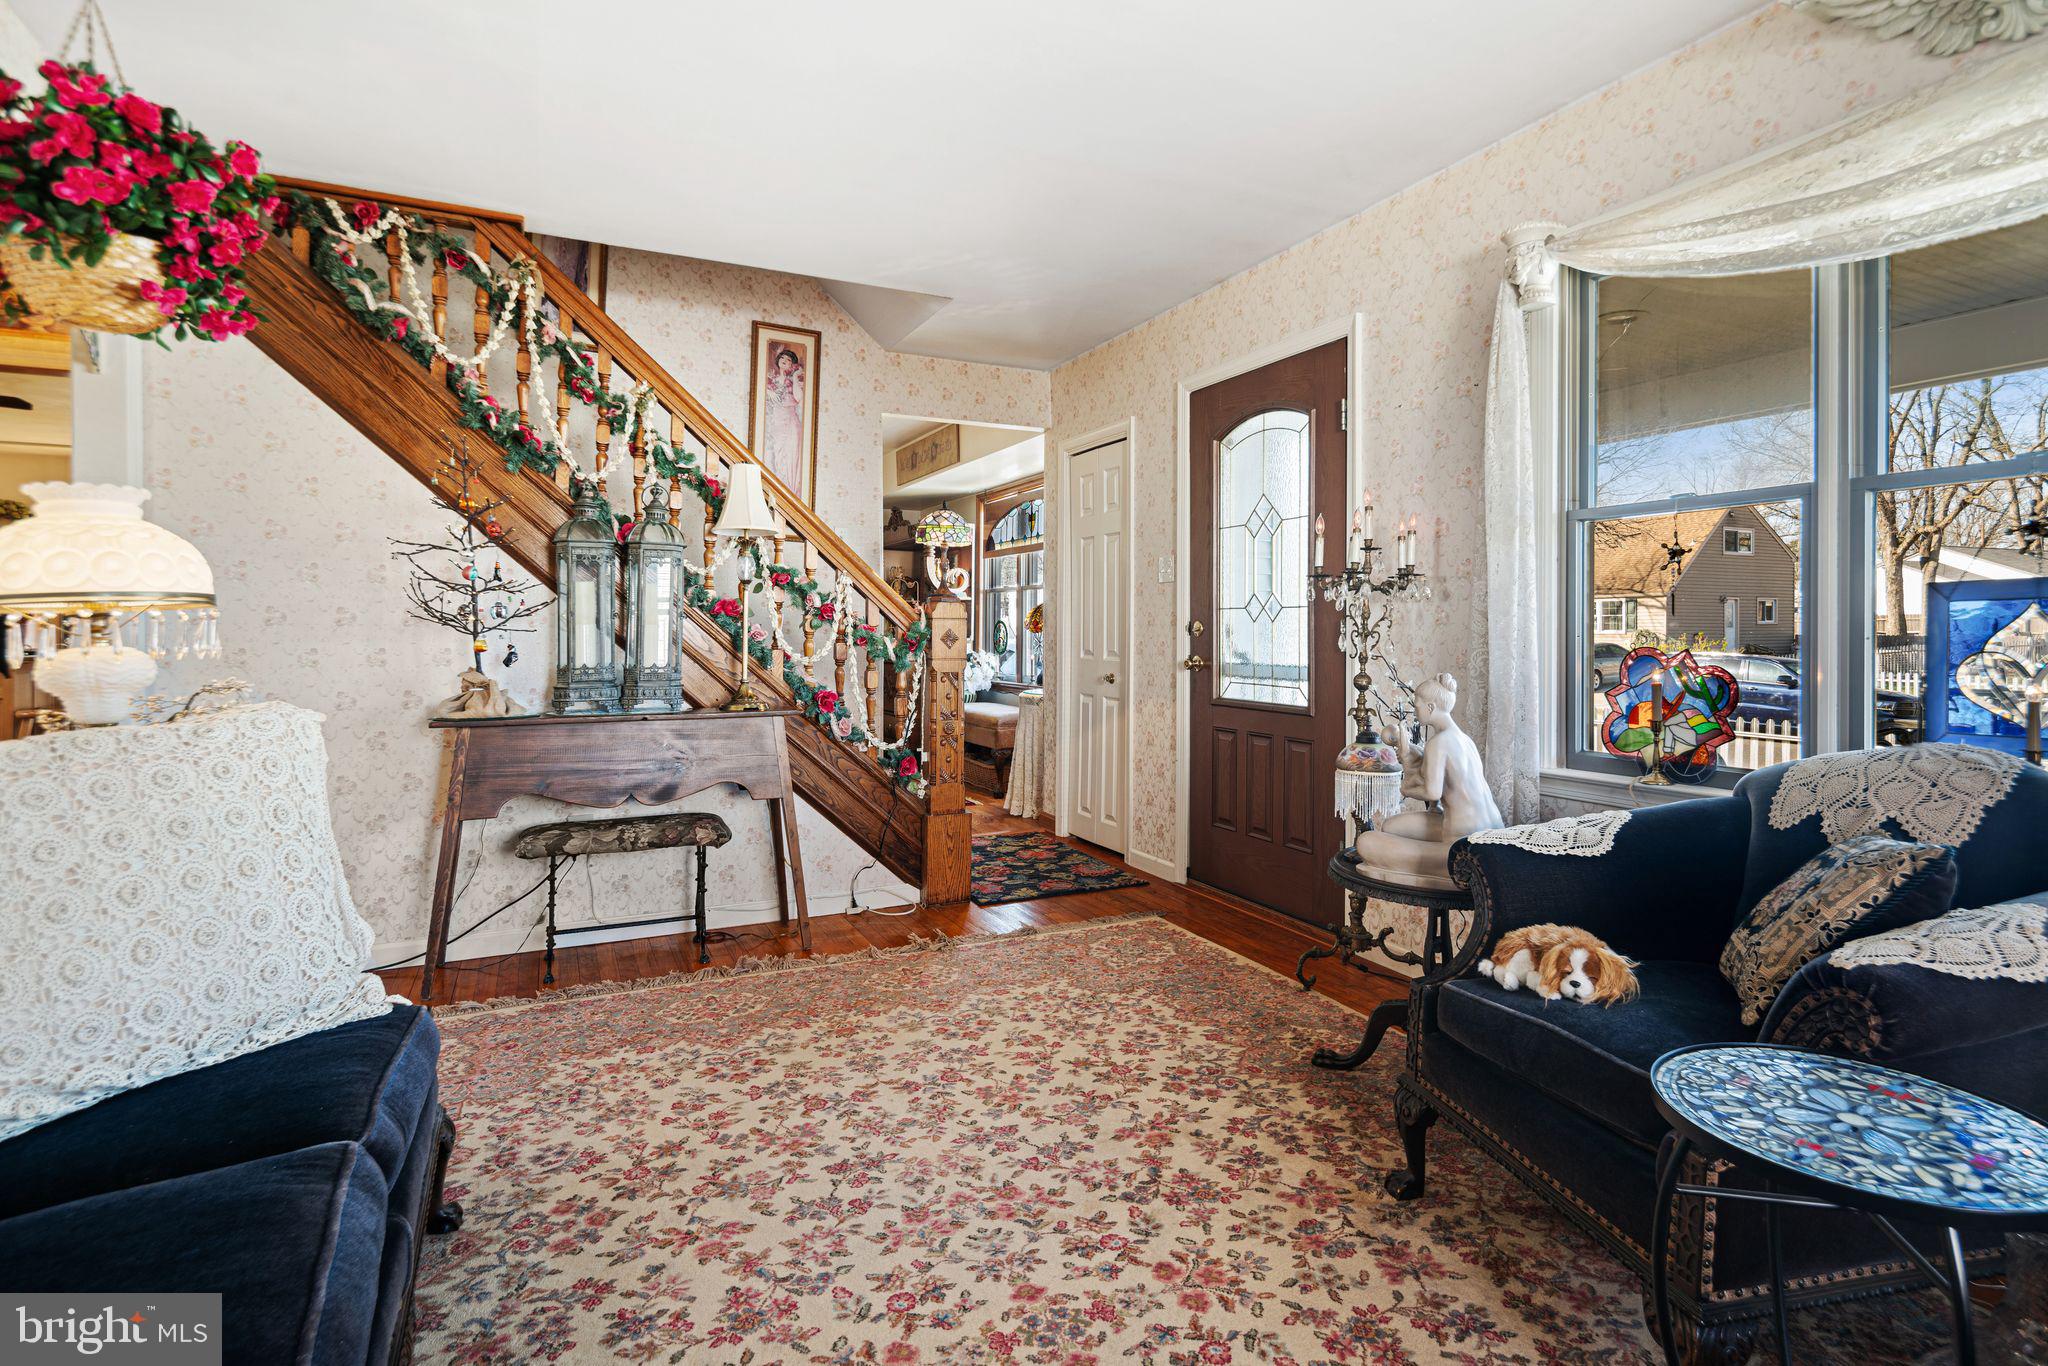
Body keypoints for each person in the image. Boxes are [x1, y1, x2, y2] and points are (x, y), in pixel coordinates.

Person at [763, 344, 805, 492]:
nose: (784, 360)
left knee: (791, 457)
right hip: (777, 423)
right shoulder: (770, 380)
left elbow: (799, 398)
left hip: (791, 422)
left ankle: (792, 492)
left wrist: (793, 377)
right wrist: (769, 392)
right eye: (782, 357)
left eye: (788, 359)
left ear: (792, 365)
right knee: (779, 457)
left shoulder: (794, 380)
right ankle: (781, 493)